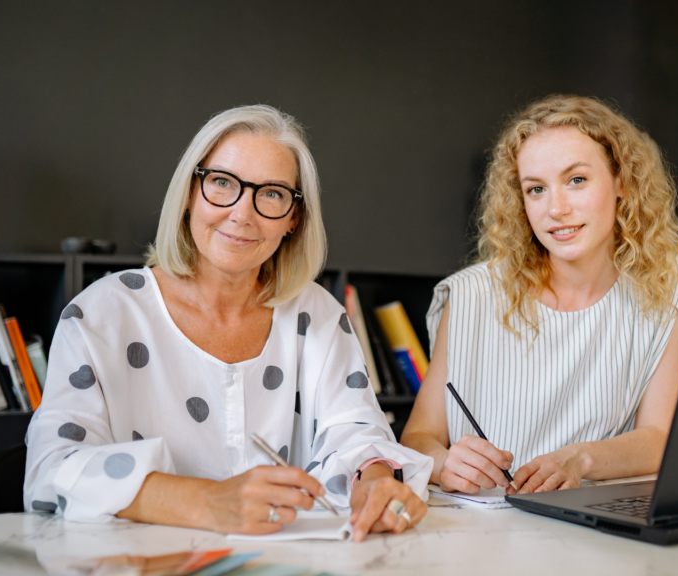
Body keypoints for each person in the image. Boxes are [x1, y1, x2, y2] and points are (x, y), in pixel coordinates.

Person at [24, 105, 431, 541]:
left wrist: (375, 481)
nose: (242, 214)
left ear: (294, 220)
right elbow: (52, 471)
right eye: (222, 183)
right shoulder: (100, 316)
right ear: (189, 193)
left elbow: (355, 431)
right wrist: (207, 502)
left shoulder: (319, 316)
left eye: (272, 193)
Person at [401, 95, 678, 496]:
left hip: (596, 525)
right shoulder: (471, 294)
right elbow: (417, 438)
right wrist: (444, 464)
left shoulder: (664, 282)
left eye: (576, 180)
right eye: (536, 189)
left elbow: (659, 438)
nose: (556, 208)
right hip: (485, 529)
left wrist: (581, 459)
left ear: (622, 180)